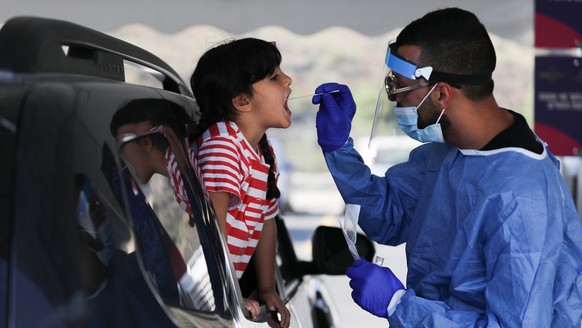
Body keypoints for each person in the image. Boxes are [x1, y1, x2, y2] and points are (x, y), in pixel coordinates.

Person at [312, 7, 582, 327]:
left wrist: (400, 306)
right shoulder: (449, 153)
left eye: (398, 88)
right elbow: (389, 217)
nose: (395, 101)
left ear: (441, 94)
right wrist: (339, 148)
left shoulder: (520, 196)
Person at [190, 37, 292, 328]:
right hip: (206, 295)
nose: (288, 80)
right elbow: (212, 227)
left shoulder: (261, 151)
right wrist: (227, 292)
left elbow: (266, 221)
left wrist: (268, 288)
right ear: (242, 101)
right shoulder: (223, 145)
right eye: (274, 77)